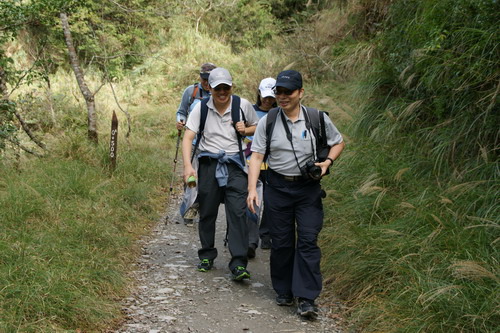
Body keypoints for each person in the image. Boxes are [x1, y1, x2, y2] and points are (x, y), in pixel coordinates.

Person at [246, 70, 345, 319]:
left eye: (287, 92)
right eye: (278, 92)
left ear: (301, 92)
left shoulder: (317, 119)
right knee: (281, 242)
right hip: (277, 187)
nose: (282, 96)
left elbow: (338, 141)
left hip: (307, 190)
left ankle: (307, 297)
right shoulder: (268, 121)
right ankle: (284, 288)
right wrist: (251, 190)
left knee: (308, 240)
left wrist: (327, 162)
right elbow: (256, 156)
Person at [182, 67, 259, 281]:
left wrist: (245, 130)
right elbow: (188, 137)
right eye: (218, 89)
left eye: (226, 88)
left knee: (238, 212)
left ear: (231, 87)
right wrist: (188, 166)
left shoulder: (242, 105)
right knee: (207, 211)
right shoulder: (201, 108)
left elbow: (258, 127)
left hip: (235, 164)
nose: (222, 93)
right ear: (210, 88)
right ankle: (207, 254)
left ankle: (238, 263)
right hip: (208, 164)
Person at [176, 62, 216, 224]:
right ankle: (188, 210)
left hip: (212, 143)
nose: (206, 83)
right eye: (204, 78)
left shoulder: (219, 93)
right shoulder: (191, 92)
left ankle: (203, 209)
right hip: (192, 142)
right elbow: (181, 111)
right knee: (191, 176)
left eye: (209, 79)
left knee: (207, 180)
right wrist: (180, 121)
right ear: (200, 77)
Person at [246, 77, 277, 259]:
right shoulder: (249, 110)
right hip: (252, 162)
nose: (267, 100)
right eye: (265, 97)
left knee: (271, 201)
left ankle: (266, 234)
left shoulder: (280, 113)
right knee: (252, 199)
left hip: (273, 164)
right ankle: (250, 238)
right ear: (259, 94)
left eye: (271, 97)